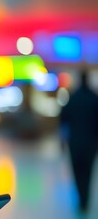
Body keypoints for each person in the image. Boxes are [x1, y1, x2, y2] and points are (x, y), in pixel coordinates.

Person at [60, 71, 98, 213]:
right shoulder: (94, 98)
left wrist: (62, 142)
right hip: (91, 144)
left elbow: (63, 121)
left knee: (77, 171)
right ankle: (85, 199)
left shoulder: (73, 98)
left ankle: (81, 198)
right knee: (88, 172)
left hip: (75, 143)